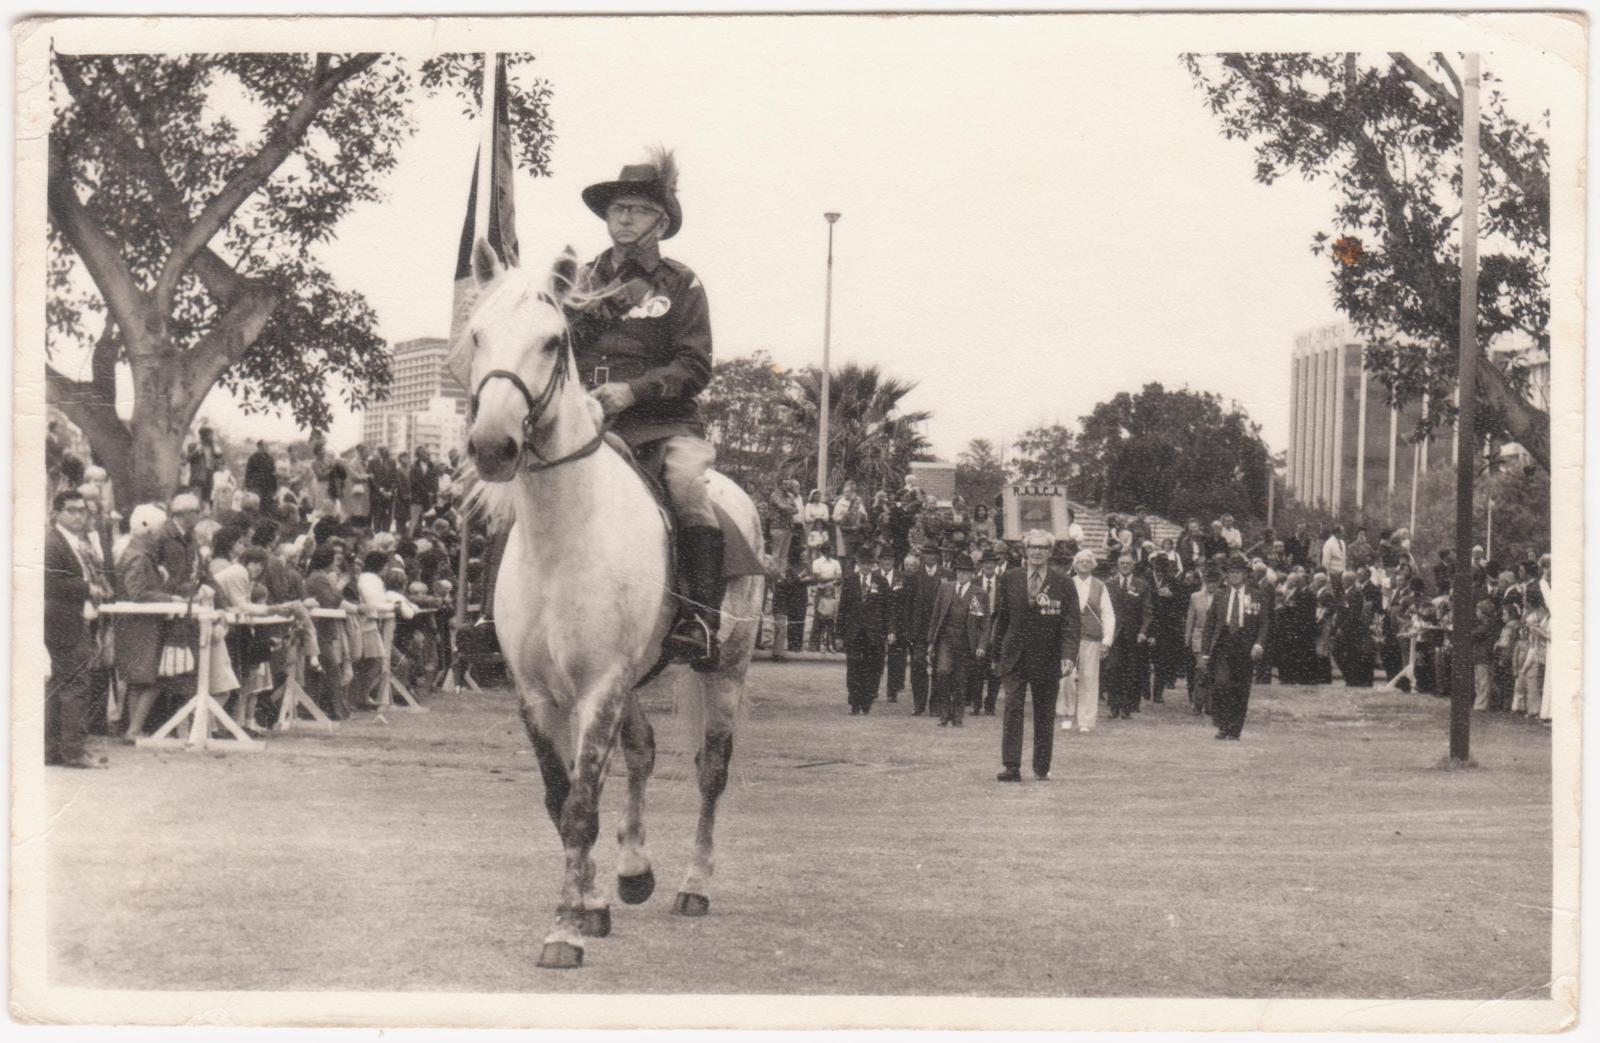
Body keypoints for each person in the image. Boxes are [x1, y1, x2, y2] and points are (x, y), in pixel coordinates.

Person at [566, 149, 728, 668]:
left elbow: (694, 364)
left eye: (637, 210)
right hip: (587, 423)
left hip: (662, 425)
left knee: (686, 488)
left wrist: (633, 391)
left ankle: (699, 620)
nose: (624, 218)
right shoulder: (580, 281)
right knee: (522, 483)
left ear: (661, 220)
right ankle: (488, 617)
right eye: (617, 210)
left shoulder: (681, 283)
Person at [979, 530, 1080, 782]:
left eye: (1042, 548)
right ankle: (1011, 766)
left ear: (1050, 552)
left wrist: (1068, 655)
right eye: (1032, 547)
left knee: (1044, 712)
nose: (1037, 552)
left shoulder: (1063, 582)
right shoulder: (1010, 579)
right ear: (1025, 550)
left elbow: (1071, 622)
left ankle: (1041, 765)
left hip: (1047, 657)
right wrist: (996, 652)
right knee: (1012, 707)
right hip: (1014, 656)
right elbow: (1001, 618)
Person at [45, 490, 110, 768]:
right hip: (63, 622)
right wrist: (88, 588)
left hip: (71, 620)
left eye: (82, 510)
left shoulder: (73, 541)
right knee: (75, 686)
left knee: (62, 687)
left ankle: (56, 750)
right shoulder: (52, 542)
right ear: (56, 512)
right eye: (71, 510)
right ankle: (73, 751)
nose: (78, 515)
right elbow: (50, 581)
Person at [1199, 553, 1271, 740]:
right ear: (1227, 575)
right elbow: (1209, 625)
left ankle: (1234, 728)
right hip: (1223, 643)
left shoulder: (1256, 595)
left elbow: (1264, 623)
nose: (1234, 576)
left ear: (1245, 575)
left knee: (1240, 688)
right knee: (1221, 684)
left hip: (1245, 645)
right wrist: (1205, 652)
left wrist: (1259, 643)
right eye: (1231, 572)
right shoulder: (1221, 595)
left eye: (1238, 572)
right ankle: (1222, 725)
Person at [926, 555, 988, 727]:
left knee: (960, 679)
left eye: (966, 572)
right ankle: (944, 713)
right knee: (943, 673)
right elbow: (935, 616)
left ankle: (958, 716)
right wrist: (931, 642)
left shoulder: (979, 593)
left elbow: (984, 623)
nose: (962, 575)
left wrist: (982, 645)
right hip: (946, 639)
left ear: (971, 574)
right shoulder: (946, 588)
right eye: (960, 572)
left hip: (966, 642)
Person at [838, 543, 899, 715]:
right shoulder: (850, 581)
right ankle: (855, 703)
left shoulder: (881, 582)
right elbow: (843, 609)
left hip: (875, 633)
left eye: (869, 563)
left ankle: (867, 700)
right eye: (862, 563)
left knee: (872, 668)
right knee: (854, 667)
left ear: (873, 564)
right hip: (854, 633)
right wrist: (839, 633)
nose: (865, 567)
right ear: (858, 563)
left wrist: (891, 630)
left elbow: (889, 609)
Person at [1059, 548, 1113, 733]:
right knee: (1066, 676)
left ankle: (1086, 721)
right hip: (1068, 638)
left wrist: (1107, 640)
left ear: (1093, 565)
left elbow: (1108, 614)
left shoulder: (1100, 586)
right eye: (1080, 560)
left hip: (1091, 637)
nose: (1084, 563)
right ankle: (1066, 714)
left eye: (1088, 561)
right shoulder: (1066, 583)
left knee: (1089, 678)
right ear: (1074, 564)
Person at [1104, 550, 1152, 719]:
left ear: (1133, 565)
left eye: (1128, 563)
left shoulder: (1142, 585)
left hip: (1133, 635)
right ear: (1118, 565)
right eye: (1122, 563)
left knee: (1131, 670)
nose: (1124, 566)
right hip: (1114, 634)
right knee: (1113, 668)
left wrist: (1143, 631)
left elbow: (1147, 612)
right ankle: (1113, 706)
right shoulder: (1109, 584)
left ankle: (1127, 707)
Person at [1184, 565, 1217, 712]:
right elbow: (1190, 618)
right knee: (1201, 670)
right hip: (1199, 636)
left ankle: (1210, 704)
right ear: (1205, 581)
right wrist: (1188, 637)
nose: (1212, 585)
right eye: (1209, 581)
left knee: (1213, 671)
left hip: (1216, 639)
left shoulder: (1223, 596)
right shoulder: (1195, 597)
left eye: (1215, 582)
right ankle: (1197, 703)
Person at [244, 439, 278, 513]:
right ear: (259, 446)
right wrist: (248, 486)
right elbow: (248, 473)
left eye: (267, 445)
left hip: (268, 488)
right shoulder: (252, 458)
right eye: (265, 445)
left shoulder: (270, 459)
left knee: (267, 507)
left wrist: (275, 488)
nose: (267, 447)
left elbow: (273, 474)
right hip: (256, 487)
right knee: (256, 507)